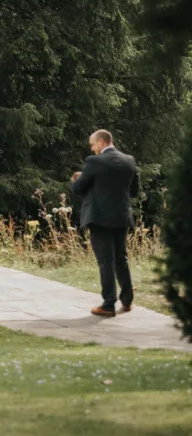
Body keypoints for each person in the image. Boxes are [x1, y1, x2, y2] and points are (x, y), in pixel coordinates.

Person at [71, 129, 139, 317]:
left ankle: (108, 304)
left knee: (106, 261)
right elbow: (133, 191)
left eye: (93, 144)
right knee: (121, 258)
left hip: (99, 217)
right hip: (121, 217)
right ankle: (127, 300)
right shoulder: (129, 161)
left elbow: (78, 188)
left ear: (101, 142)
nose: (92, 149)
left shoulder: (94, 162)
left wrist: (77, 178)